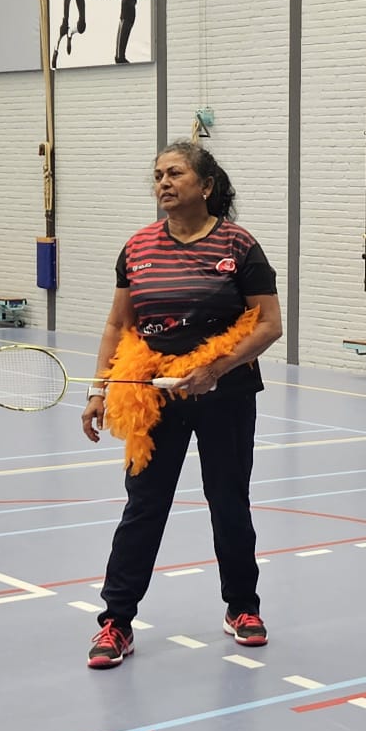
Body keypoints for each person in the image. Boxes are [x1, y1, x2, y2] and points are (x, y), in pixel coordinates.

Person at [80, 141, 283, 669]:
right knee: (143, 508)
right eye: (157, 176)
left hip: (226, 395)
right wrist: (100, 389)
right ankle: (116, 621)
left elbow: (269, 324)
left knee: (229, 502)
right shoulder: (137, 247)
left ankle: (243, 607)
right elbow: (118, 325)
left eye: (175, 173)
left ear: (206, 185)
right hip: (152, 397)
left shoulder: (239, 245)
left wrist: (215, 369)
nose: (163, 183)